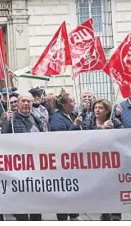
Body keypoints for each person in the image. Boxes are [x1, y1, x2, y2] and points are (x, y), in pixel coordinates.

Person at [2, 93, 43, 221]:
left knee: (36, 198)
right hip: (18, 165)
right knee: (21, 198)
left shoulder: (36, 118)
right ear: (18, 103)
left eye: (29, 101)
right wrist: (7, 121)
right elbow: (2, 138)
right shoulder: (11, 119)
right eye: (23, 101)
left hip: (35, 165)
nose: (26, 104)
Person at [81, 99, 123, 221]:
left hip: (112, 162)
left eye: (100, 108)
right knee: (101, 189)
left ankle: (116, 216)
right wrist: (101, 130)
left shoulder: (114, 121)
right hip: (95, 162)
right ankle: (104, 214)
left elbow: (125, 136)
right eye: (95, 108)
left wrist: (114, 130)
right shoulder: (88, 122)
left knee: (114, 189)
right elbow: (85, 139)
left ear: (107, 111)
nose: (97, 110)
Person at [50, 93, 82, 221]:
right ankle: (62, 217)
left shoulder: (73, 115)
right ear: (64, 105)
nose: (75, 104)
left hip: (74, 158)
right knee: (63, 189)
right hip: (62, 159)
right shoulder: (57, 118)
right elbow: (61, 137)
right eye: (72, 101)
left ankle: (74, 214)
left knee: (73, 188)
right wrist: (74, 125)